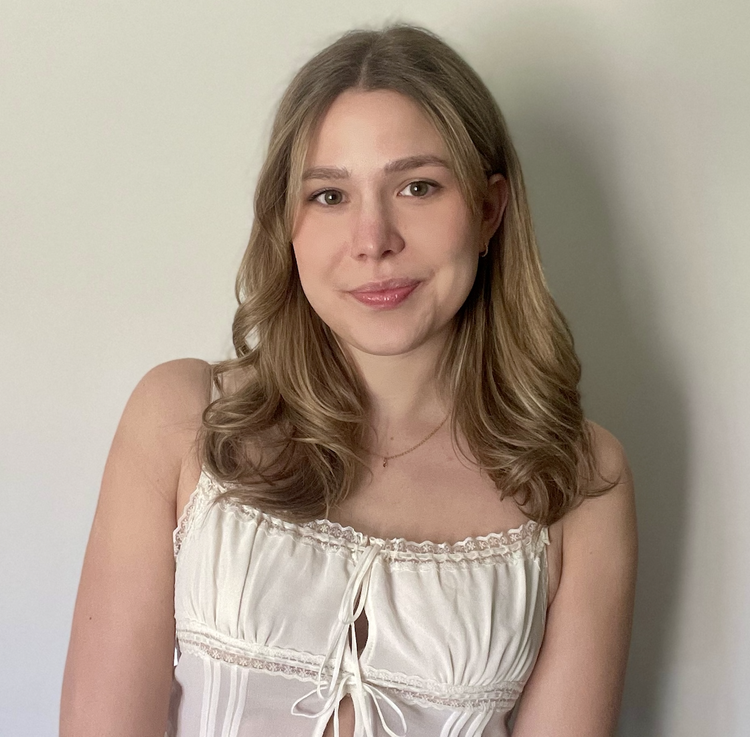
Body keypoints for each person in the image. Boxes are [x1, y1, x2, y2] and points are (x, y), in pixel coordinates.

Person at [60, 22, 638, 737]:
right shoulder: (180, 420)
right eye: (330, 196)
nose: (374, 240)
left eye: (418, 186)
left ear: (489, 211)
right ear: (286, 222)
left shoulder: (581, 481)